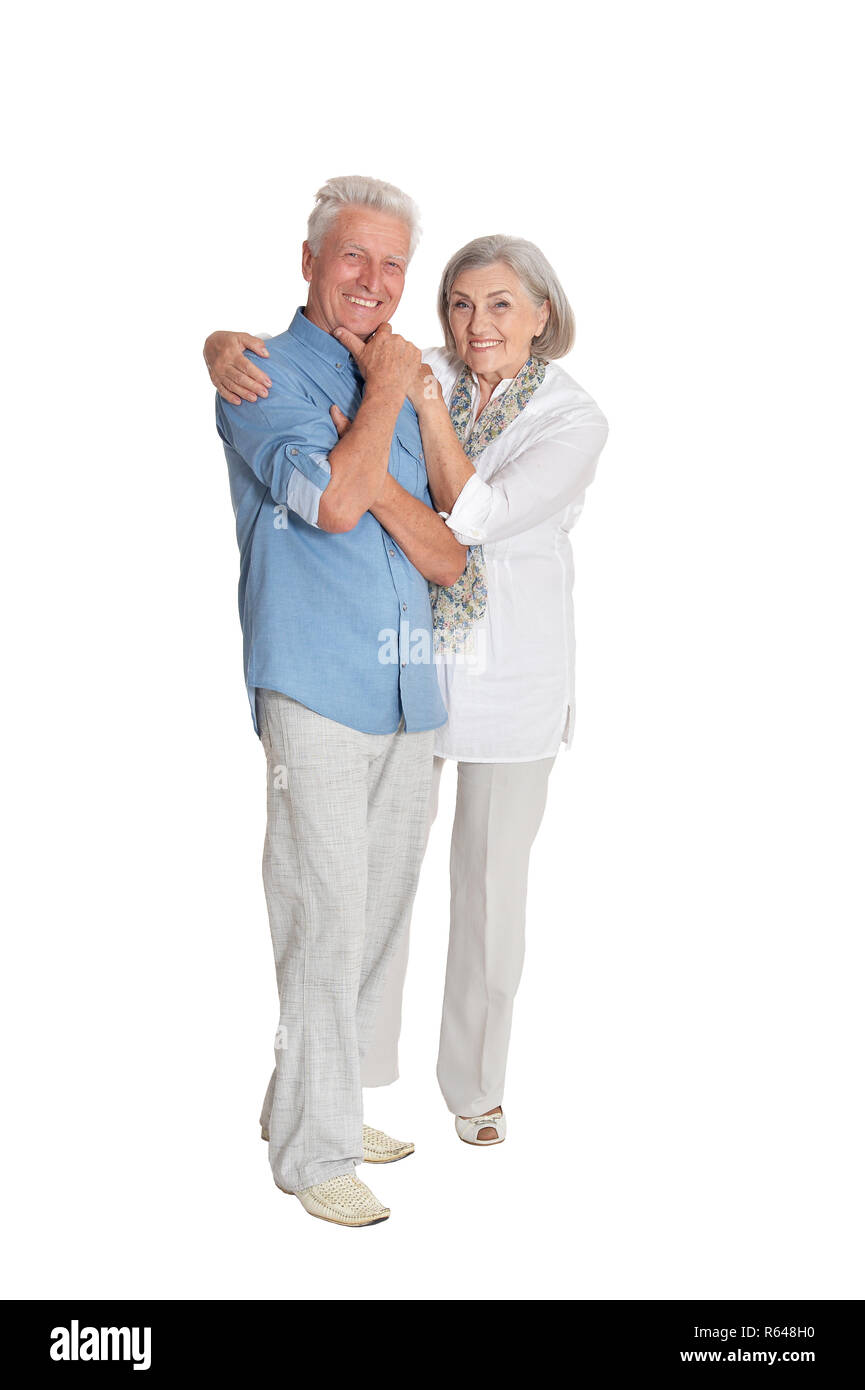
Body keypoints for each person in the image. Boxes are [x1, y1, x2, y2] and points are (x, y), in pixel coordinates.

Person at [206, 233, 608, 1152]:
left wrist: (422, 411)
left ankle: (474, 1089)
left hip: (511, 671)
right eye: (460, 304)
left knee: (489, 886)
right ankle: (342, 1085)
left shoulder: (574, 419)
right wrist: (220, 345)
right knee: (376, 886)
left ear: (543, 314)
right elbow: (319, 338)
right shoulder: (422, 364)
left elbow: (481, 518)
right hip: (406, 663)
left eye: (502, 304)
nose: (477, 324)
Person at [212, 174, 466, 1226]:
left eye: (393, 263)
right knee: (322, 915)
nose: (374, 280)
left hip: (411, 677)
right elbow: (330, 503)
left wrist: (393, 398)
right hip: (315, 674)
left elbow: (449, 547)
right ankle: (311, 1154)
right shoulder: (260, 373)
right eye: (352, 257)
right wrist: (382, 398)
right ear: (309, 263)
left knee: (378, 913)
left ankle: (316, 1098)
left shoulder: (404, 375)